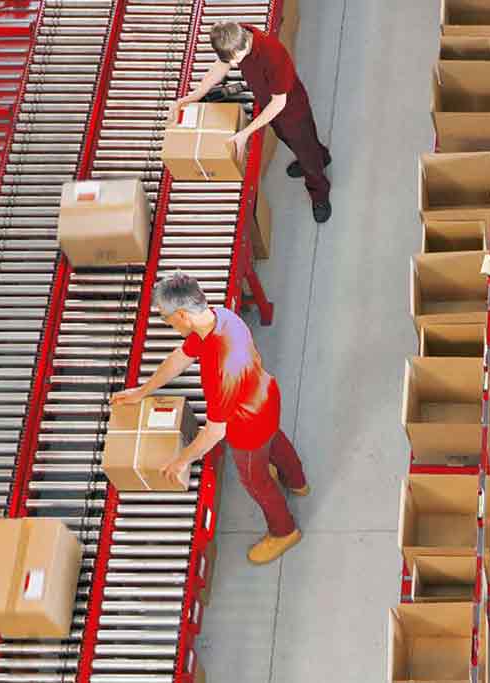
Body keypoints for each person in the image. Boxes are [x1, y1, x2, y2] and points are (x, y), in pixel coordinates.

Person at [114, 272, 309, 564]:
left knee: (256, 481)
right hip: (266, 399)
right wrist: (143, 391)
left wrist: (181, 460)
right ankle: (297, 481)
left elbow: (215, 431)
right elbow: (179, 358)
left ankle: (284, 531)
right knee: (276, 442)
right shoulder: (220, 317)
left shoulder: (221, 363)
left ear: (182, 314)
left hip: (248, 428)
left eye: (167, 320)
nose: (169, 326)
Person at [172, 21, 333, 223]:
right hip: (270, 106)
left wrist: (245, 133)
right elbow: (220, 66)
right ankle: (320, 156)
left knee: (305, 152)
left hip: (291, 112)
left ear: (243, 45)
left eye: (235, 60)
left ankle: (319, 191)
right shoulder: (235, 35)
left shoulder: (272, 54)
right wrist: (196, 94)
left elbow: (278, 103)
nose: (232, 65)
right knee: (296, 144)